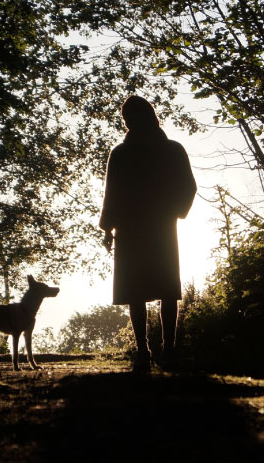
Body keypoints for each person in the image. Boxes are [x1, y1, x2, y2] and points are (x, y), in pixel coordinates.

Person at [100, 95, 197, 371]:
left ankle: (153, 350)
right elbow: (188, 187)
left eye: (128, 118)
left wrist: (109, 228)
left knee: (143, 290)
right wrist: (175, 212)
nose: (127, 122)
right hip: (156, 227)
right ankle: (159, 349)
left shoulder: (122, 153)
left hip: (137, 229)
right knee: (156, 289)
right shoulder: (171, 150)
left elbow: (112, 195)